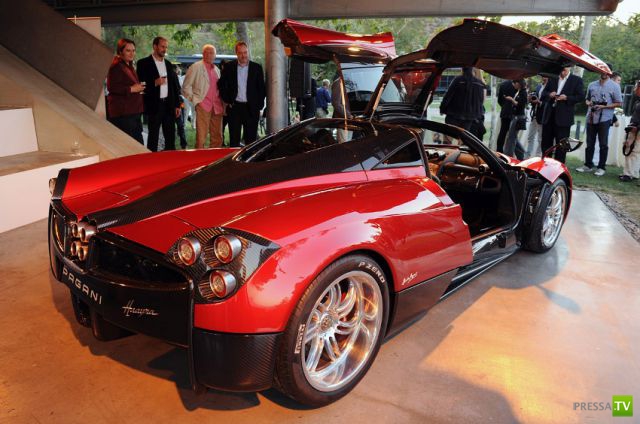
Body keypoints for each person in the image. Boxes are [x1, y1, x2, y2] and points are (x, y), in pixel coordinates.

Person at [137, 36, 181, 152]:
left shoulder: (168, 64)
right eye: (162, 46)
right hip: (154, 105)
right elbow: (141, 86)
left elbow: (174, 86)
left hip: (169, 105)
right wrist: (154, 83)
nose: (164, 49)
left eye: (166, 47)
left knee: (170, 136)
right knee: (153, 136)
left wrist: (177, 104)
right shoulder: (143, 63)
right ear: (155, 46)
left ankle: (170, 159)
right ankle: (152, 159)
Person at [218, 41, 266, 147]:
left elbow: (261, 89)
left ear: (248, 52)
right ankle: (235, 158)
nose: (243, 55)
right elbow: (221, 85)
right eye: (240, 53)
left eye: (245, 52)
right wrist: (227, 100)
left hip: (251, 108)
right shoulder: (229, 67)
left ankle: (249, 158)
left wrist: (259, 106)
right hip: (234, 108)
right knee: (234, 140)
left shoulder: (257, 68)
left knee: (251, 141)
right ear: (236, 53)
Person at [576, 71, 622, 176]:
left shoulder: (615, 86)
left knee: (603, 144)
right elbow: (587, 99)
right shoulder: (592, 84)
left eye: (606, 71)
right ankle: (588, 165)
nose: (604, 73)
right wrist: (589, 103)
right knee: (589, 143)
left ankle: (601, 167)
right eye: (602, 70)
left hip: (605, 118)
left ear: (609, 73)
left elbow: (619, 102)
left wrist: (604, 106)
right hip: (591, 117)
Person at [182, 44, 224, 148]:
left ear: (215, 55)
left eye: (212, 53)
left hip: (217, 107)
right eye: (207, 52)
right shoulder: (195, 67)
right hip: (203, 105)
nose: (209, 55)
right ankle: (200, 156)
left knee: (217, 137)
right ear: (203, 54)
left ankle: (215, 157)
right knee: (201, 138)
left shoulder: (217, 70)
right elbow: (185, 87)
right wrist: (195, 100)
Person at [540, 66, 584, 163]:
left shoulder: (576, 80)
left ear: (570, 67)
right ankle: (545, 164)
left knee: (562, 145)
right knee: (546, 143)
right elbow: (543, 94)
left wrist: (567, 98)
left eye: (565, 69)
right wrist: (549, 95)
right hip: (549, 116)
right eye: (562, 69)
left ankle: (558, 166)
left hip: (564, 118)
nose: (563, 72)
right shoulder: (553, 78)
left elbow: (580, 97)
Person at [106, 38, 144, 144]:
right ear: (120, 51)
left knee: (138, 146)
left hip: (133, 112)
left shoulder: (129, 65)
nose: (132, 53)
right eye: (128, 50)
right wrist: (132, 89)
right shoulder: (116, 66)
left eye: (133, 50)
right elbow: (111, 87)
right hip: (124, 114)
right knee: (130, 146)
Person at [439, 67, 485, 132]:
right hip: (469, 117)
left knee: (449, 134)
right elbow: (480, 101)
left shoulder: (458, 80)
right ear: (472, 70)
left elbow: (448, 96)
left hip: (454, 114)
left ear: (462, 70)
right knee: (463, 136)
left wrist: (442, 109)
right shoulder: (479, 83)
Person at [619, 82, 640, 183]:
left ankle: (628, 174)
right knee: (636, 152)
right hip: (634, 128)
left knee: (631, 151)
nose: (634, 89)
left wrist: (637, 128)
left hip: (636, 130)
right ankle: (634, 173)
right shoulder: (638, 101)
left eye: (636, 87)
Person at [503, 79, 528, 159]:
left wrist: (511, 99)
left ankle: (508, 156)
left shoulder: (523, 92)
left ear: (519, 83)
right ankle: (521, 154)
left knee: (511, 138)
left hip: (518, 117)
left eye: (515, 83)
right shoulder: (519, 91)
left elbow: (520, 105)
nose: (513, 84)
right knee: (513, 137)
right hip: (515, 116)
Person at [526, 76, 548, 158]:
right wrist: (530, 99)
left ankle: (538, 156)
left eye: (545, 77)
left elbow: (548, 103)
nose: (543, 78)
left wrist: (540, 102)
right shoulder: (539, 86)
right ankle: (528, 155)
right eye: (542, 76)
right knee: (530, 136)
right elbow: (535, 97)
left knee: (540, 138)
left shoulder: (550, 88)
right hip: (534, 115)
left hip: (542, 116)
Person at [496, 79, 517, 153]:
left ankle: (499, 150)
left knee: (503, 132)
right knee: (512, 134)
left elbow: (499, 100)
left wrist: (504, 106)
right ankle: (512, 151)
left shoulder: (503, 84)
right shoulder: (518, 83)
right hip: (514, 111)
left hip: (505, 110)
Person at [331, 76, 351, 142]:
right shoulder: (339, 82)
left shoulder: (349, 81)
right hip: (343, 120)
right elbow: (336, 103)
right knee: (344, 143)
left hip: (350, 119)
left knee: (349, 142)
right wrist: (349, 115)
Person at [174, 65, 188, 149]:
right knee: (180, 123)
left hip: (179, 101)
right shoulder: (177, 77)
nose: (178, 70)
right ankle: (183, 143)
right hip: (178, 101)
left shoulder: (179, 77)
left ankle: (183, 143)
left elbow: (180, 90)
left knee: (180, 123)